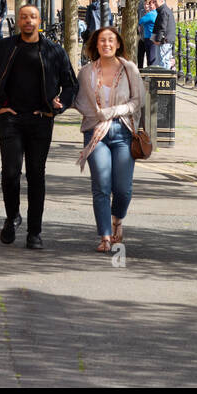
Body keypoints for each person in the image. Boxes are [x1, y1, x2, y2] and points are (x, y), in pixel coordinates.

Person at [0, 3, 78, 249]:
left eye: (32, 17)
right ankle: (12, 217)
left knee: (36, 175)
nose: (28, 21)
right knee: (10, 173)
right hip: (11, 118)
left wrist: (59, 105)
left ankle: (35, 232)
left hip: (41, 119)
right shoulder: (4, 47)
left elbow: (71, 84)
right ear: (19, 21)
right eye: (23, 17)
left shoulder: (54, 51)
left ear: (39, 20)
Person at [74, 27, 144, 252]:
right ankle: (104, 236)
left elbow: (137, 101)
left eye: (111, 40)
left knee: (123, 188)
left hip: (123, 131)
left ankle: (118, 219)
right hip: (95, 132)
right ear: (95, 44)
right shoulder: (86, 72)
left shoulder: (129, 69)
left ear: (118, 44)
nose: (106, 44)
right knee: (101, 186)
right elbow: (80, 101)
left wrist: (112, 111)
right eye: (102, 40)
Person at [151, 0, 176, 69]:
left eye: (156, 1)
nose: (154, 3)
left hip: (164, 41)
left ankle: (166, 78)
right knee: (164, 61)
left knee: (164, 62)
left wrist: (157, 40)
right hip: (166, 40)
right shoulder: (163, 10)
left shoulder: (163, 11)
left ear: (162, 1)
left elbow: (162, 27)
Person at [137, 0, 156, 70]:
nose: (146, 6)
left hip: (149, 37)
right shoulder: (142, 12)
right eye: (145, 4)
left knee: (150, 56)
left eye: (148, 4)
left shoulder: (152, 14)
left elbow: (140, 21)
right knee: (140, 56)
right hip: (142, 37)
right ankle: (140, 71)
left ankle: (149, 71)